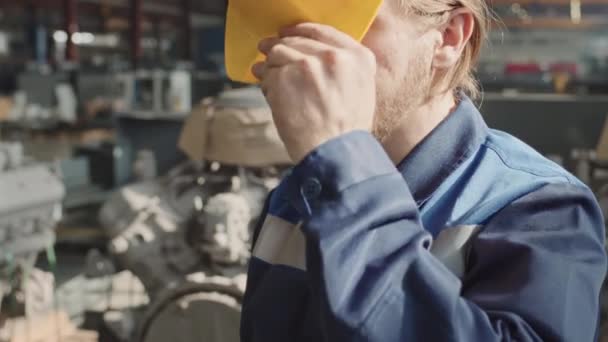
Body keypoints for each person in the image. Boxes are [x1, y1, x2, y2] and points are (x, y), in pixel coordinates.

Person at [240, 0, 608, 341]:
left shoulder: (543, 208)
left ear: (449, 37)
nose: (305, 54)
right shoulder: (296, 194)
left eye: (348, 21)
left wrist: (346, 164)